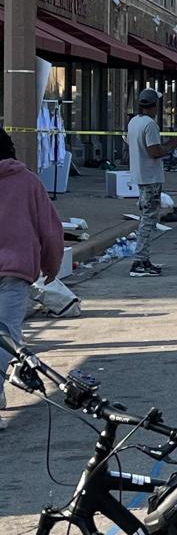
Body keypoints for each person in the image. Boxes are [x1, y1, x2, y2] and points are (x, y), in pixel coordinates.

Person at [0, 128, 64, 431]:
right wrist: (51, 265)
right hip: (14, 272)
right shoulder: (28, 183)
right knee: (6, 338)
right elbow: (51, 230)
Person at [126, 89, 177, 277]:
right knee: (149, 219)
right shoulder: (150, 125)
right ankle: (140, 261)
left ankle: (142, 259)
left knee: (146, 217)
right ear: (154, 106)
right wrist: (172, 144)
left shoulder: (134, 122)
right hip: (150, 177)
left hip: (140, 175)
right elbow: (154, 151)